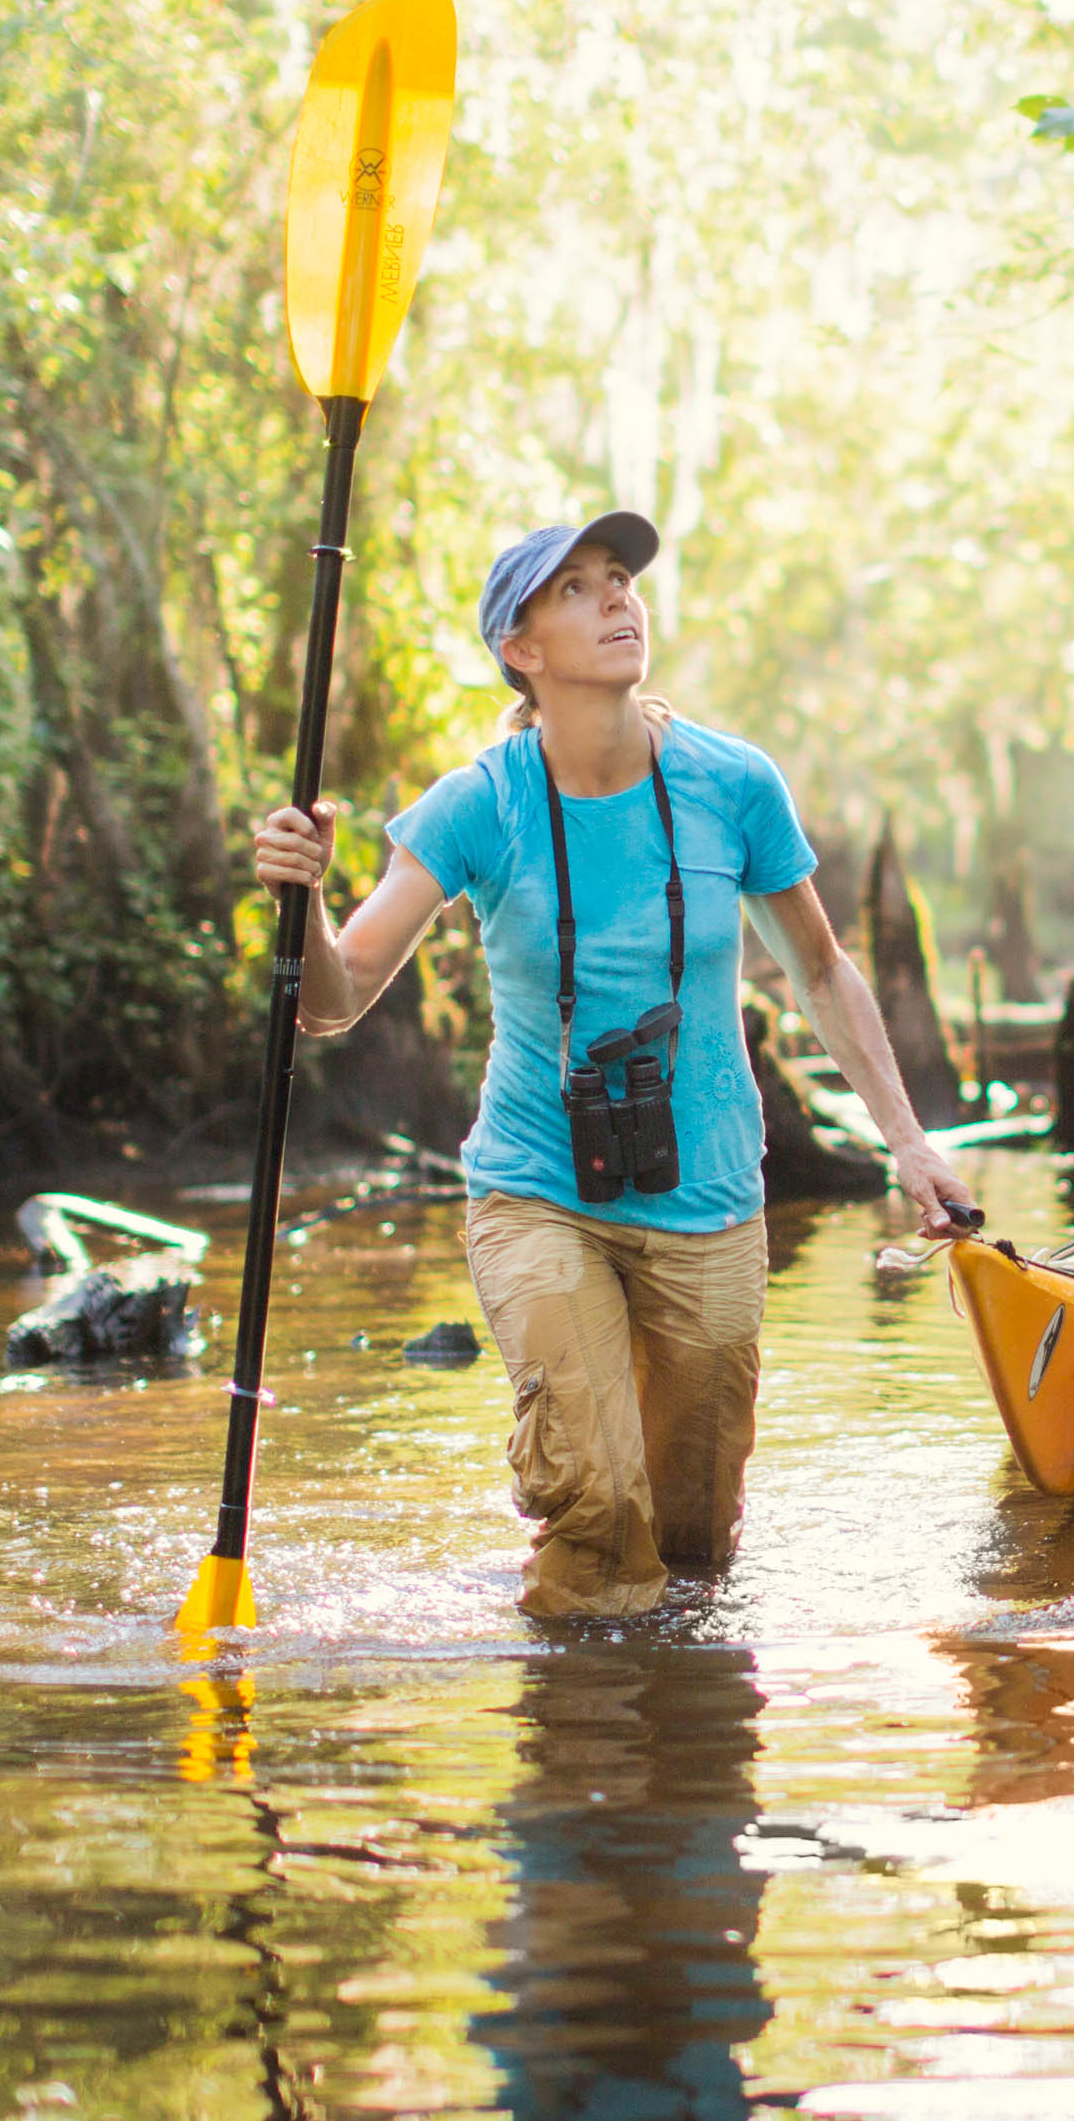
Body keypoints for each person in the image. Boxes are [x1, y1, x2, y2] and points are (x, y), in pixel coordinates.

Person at [251, 509, 977, 1617]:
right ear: (521, 649)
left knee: (692, 1546)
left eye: (621, 581)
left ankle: (678, 1756)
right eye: (579, 588)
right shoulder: (478, 804)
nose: (618, 600)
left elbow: (823, 972)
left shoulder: (733, 784)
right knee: (595, 1503)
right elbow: (335, 999)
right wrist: (299, 898)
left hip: (712, 1197)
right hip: (538, 1191)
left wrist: (909, 1143)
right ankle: (578, 1747)